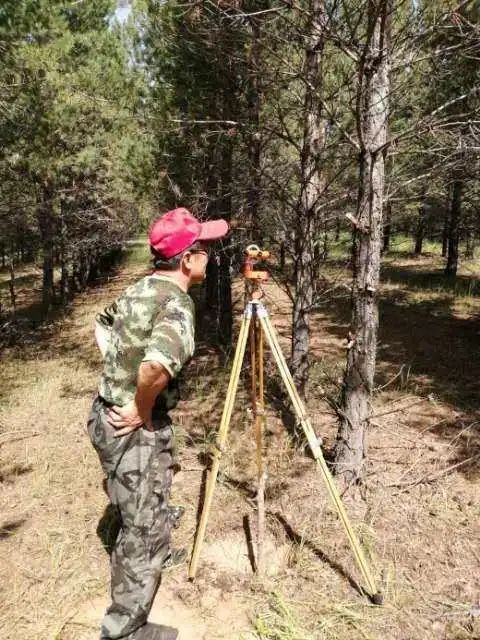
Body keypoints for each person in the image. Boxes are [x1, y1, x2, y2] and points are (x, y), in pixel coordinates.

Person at [87, 208, 229, 640]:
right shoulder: (176, 304)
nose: (209, 257)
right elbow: (154, 367)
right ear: (187, 260)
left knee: (142, 507)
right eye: (203, 250)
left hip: (103, 414)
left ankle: (152, 552)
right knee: (143, 529)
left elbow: (103, 322)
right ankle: (124, 630)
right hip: (131, 428)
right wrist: (140, 406)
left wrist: (118, 371)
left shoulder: (141, 288)